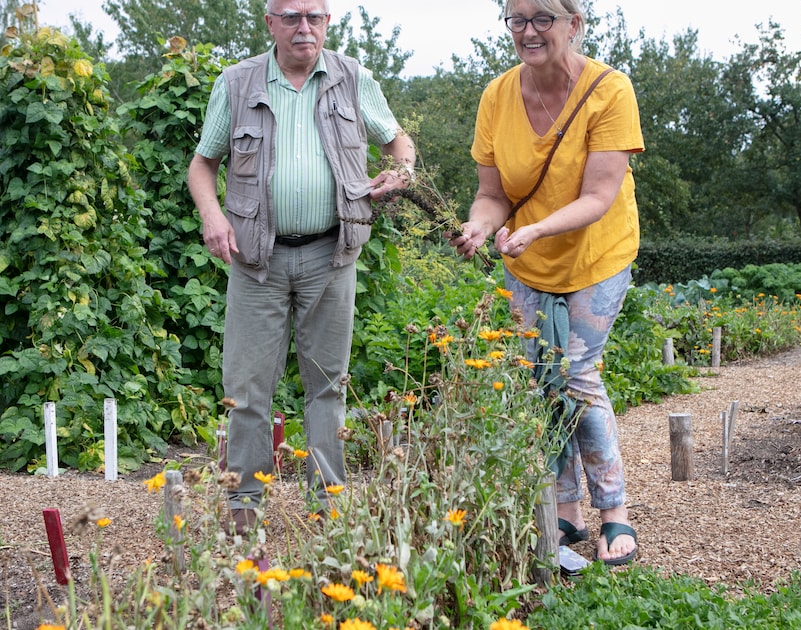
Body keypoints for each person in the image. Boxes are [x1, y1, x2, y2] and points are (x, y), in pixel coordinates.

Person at [187, 0, 415, 534]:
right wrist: (212, 215)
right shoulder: (239, 83)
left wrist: (401, 171)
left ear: (328, 23)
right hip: (255, 260)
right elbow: (204, 163)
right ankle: (244, 510)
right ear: (270, 23)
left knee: (328, 387)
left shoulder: (353, 79)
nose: (303, 27)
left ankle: (327, 509)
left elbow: (396, 141)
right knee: (246, 391)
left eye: (314, 15)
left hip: (332, 255)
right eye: (290, 16)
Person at [449, 0, 642, 565]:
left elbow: (599, 196)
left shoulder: (610, 91)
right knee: (540, 381)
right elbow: (493, 195)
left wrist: (531, 230)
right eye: (517, 19)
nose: (528, 31)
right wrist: (480, 227)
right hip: (525, 257)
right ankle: (566, 512)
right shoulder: (496, 96)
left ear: (573, 24)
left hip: (595, 253)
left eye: (543, 19)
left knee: (578, 375)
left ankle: (614, 515)